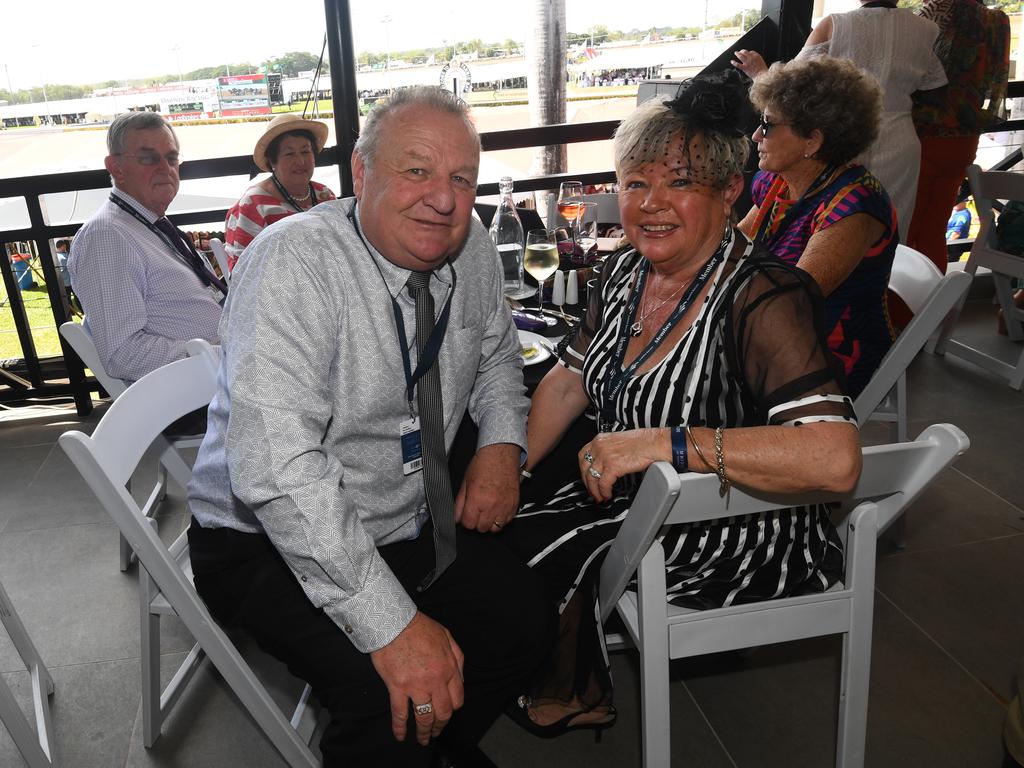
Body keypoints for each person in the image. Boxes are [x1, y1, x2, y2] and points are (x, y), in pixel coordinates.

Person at [187, 86, 553, 767]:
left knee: (524, 626)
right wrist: (391, 625)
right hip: (262, 537)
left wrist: (502, 443)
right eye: (416, 170)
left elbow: (499, 354)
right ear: (361, 175)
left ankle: (435, 747)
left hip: (403, 511)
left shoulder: (469, 243)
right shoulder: (295, 259)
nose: (443, 199)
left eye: (461, 179)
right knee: (377, 685)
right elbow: (278, 469)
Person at [500, 73, 861, 737]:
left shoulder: (764, 297)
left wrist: (666, 443)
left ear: (730, 192)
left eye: (680, 182)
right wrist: (510, 464)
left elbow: (835, 460)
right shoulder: (625, 272)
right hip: (642, 495)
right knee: (495, 508)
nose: (651, 203)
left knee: (518, 556)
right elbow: (567, 380)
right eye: (636, 183)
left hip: (731, 523)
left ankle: (554, 681)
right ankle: (545, 667)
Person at [737, 56, 897, 398]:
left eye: (767, 125)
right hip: (775, 335)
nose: (754, 136)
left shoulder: (853, 207)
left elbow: (792, 299)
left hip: (826, 353)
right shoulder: (779, 182)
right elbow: (735, 247)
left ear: (812, 141)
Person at [732, 0, 946, 242]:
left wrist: (759, 73)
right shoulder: (926, 28)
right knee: (889, 228)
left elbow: (790, 89)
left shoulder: (835, 24)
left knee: (831, 220)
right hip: (899, 139)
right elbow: (933, 86)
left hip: (837, 136)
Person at [68, 112, 224, 384]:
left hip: (219, 378)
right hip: (195, 394)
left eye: (172, 158)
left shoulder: (148, 224)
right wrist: (222, 355)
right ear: (115, 167)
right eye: (149, 158)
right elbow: (123, 354)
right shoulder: (107, 237)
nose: (165, 168)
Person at [906, 0, 1010, 273]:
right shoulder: (996, 21)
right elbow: (993, 78)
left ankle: (900, 312)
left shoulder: (936, 10)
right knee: (933, 230)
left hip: (924, 134)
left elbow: (909, 67)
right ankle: (932, 307)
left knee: (905, 230)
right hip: (964, 137)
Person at [223, 113, 336, 270]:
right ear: (272, 161)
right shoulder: (253, 204)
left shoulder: (324, 194)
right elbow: (243, 271)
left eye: (305, 152)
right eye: (289, 154)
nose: (300, 161)